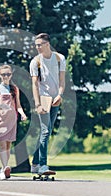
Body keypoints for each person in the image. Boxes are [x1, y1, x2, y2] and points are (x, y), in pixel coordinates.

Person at [29, 33, 66, 175]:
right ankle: (43, 166)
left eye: (39, 45)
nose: (37, 47)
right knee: (45, 131)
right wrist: (38, 104)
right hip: (43, 98)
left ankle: (34, 163)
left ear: (47, 44)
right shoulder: (35, 62)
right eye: (36, 45)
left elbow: (62, 80)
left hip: (55, 98)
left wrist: (60, 95)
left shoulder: (59, 58)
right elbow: (34, 85)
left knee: (47, 131)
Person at [0, 65, 27, 180]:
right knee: (2, 144)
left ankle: (4, 168)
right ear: (0, 75)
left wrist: (23, 114)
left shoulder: (14, 89)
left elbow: (18, 105)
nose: (6, 76)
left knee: (8, 145)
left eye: (8, 74)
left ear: (11, 75)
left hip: (12, 119)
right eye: (4, 74)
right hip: (0, 120)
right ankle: (4, 167)